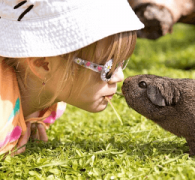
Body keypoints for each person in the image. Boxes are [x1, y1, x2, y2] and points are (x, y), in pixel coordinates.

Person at [0, 0, 144, 155]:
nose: (119, 77)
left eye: (121, 62)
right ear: (42, 64)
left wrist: (27, 118)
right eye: (108, 68)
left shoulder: (53, 99)